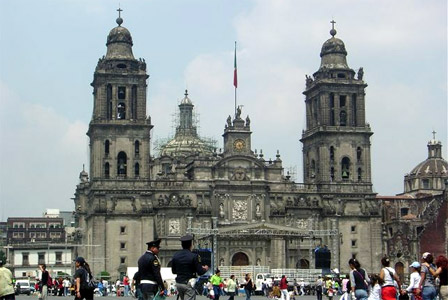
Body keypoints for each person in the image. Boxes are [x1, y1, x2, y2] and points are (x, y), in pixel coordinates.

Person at [171, 235, 209, 300]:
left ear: (182, 245)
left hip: (179, 283)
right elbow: (200, 272)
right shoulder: (194, 256)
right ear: (191, 244)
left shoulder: (175, 255)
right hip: (188, 284)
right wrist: (205, 269)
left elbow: (173, 271)